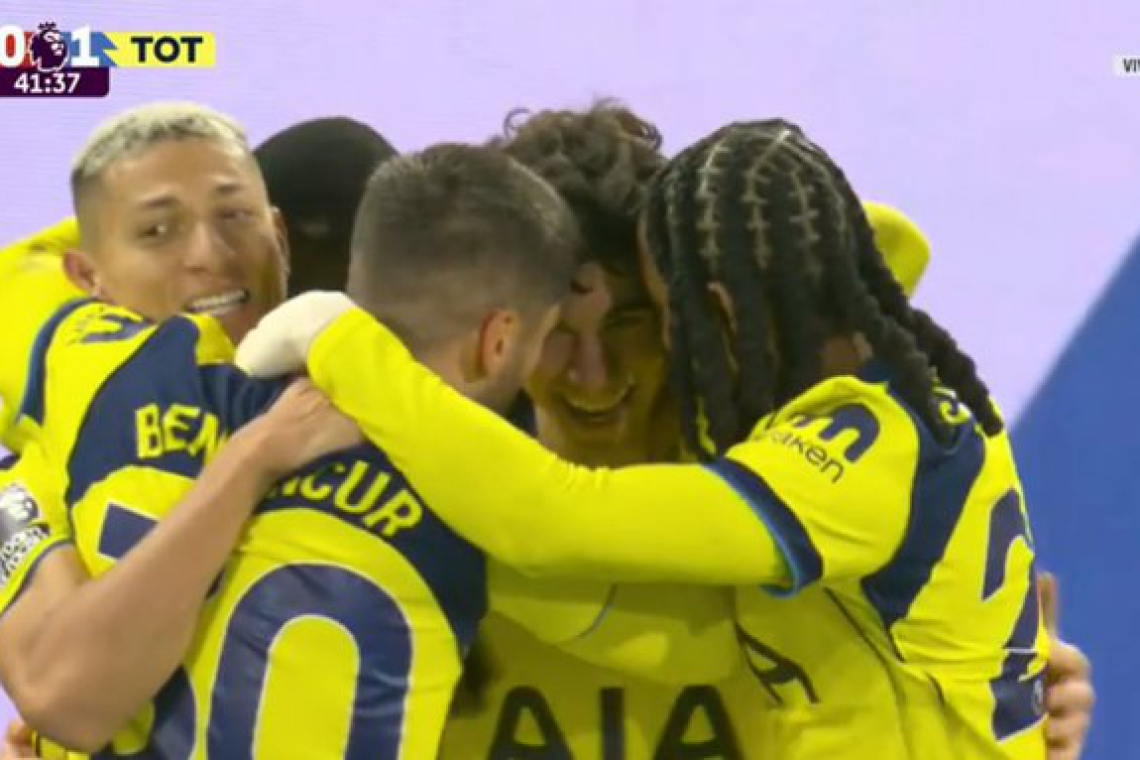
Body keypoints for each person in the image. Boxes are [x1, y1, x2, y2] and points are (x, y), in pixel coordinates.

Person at [238, 119, 1054, 759]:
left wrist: (346, 343)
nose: (600, 369)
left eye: (657, 318)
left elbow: (556, 516)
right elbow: (698, 646)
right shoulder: (874, 406)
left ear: (720, 307)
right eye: (559, 332)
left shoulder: (858, 443)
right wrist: (451, 545)